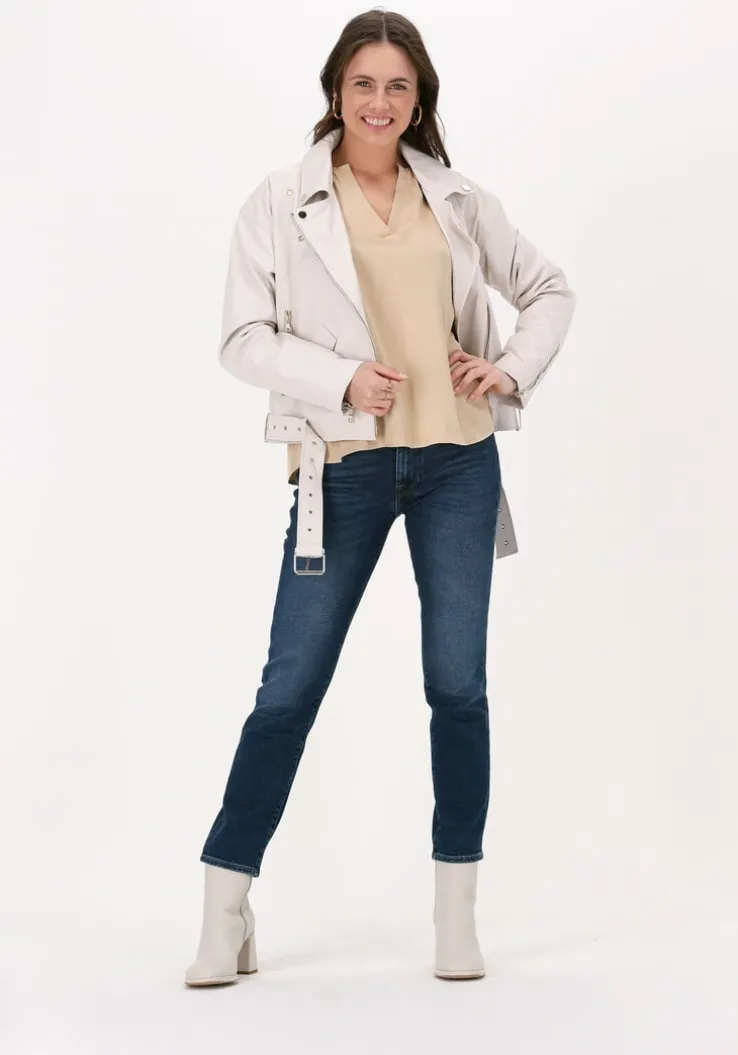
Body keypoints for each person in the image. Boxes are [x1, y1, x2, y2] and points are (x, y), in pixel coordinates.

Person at [185, 8, 576, 986]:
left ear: (418, 99)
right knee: (289, 687)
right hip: (345, 468)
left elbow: (549, 289)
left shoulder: (456, 196)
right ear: (336, 90)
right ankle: (225, 908)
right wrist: (341, 379)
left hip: (457, 461)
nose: (380, 101)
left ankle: (456, 914)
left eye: (399, 86)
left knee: (458, 686)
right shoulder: (282, 201)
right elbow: (242, 338)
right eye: (364, 83)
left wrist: (506, 368)